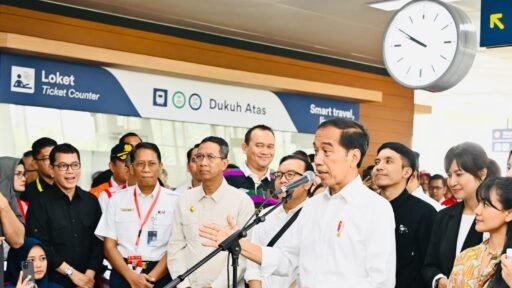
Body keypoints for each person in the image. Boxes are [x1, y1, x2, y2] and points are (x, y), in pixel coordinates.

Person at [199, 118, 396, 287]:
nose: (317, 160)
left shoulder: (376, 208)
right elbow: (289, 261)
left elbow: (380, 282)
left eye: (326, 151)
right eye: (316, 151)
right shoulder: (313, 206)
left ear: (353, 157)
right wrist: (240, 244)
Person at [167, 136, 254, 288]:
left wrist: (215, 287)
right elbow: (176, 246)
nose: (203, 162)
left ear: (224, 164)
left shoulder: (242, 202)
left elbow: (244, 253)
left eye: (210, 157)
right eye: (199, 157)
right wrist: (183, 285)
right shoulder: (184, 199)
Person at [95, 142, 177, 288]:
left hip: (160, 276)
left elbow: (176, 246)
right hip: (123, 274)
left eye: (152, 164)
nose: (146, 169)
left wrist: (150, 278)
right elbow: (109, 246)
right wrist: (132, 277)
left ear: (160, 167)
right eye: (140, 164)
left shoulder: (176, 201)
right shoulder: (116, 200)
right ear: (131, 168)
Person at [26, 143, 104, 288]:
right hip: (54, 282)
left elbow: (99, 242)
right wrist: (72, 274)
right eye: (63, 166)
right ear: (52, 169)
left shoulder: (91, 201)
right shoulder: (39, 203)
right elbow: (41, 245)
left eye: (75, 165)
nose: (70, 171)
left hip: (89, 281)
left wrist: (88, 276)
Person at [423, 142, 499, 288]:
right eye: (449, 175)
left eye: (459, 174)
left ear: (482, 174)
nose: (452, 182)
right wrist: (439, 280)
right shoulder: (443, 216)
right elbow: (429, 265)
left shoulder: (497, 217)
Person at [245, 154, 314, 288]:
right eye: (278, 175)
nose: (282, 180)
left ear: (307, 183)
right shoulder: (265, 214)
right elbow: (252, 266)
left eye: (290, 174)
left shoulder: (315, 216)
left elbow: (310, 268)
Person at [373, 142, 436, 288]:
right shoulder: (363, 207)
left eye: (388, 161)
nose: (379, 167)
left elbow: (429, 266)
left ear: (406, 172)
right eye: (377, 162)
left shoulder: (424, 213)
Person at [447, 177, 512, 287]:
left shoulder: (509, 261)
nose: (477, 210)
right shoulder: (466, 257)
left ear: (509, 214)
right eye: (479, 203)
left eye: (486, 205)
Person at [224, 125, 277, 208]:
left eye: (270, 147)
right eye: (259, 145)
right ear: (245, 147)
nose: (265, 152)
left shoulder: (279, 181)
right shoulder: (227, 177)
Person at [93, 143, 132, 212]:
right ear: (112, 166)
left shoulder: (143, 190)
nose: (129, 165)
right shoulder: (96, 194)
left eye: (132, 161)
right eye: (124, 161)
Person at [22, 137, 58, 203]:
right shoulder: (28, 193)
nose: (53, 162)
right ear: (35, 163)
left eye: (55, 157)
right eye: (47, 158)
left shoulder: (68, 184)